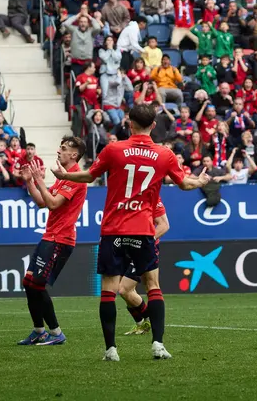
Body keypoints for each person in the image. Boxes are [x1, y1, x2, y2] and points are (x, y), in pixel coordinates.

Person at [52, 104, 209, 361]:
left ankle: (111, 350)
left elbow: (89, 176)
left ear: (128, 122)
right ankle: (158, 344)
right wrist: (201, 182)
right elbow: (184, 184)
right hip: (144, 230)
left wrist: (63, 175)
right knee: (153, 287)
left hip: (114, 230)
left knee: (108, 291)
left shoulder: (114, 149)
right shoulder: (164, 154)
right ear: (154, 125)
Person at [15, 136, 88, 346]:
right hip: (50, 236)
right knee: (28, 283)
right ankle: (39, 331)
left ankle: (56, 333)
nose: (58, 151)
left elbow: (54, 204)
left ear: (74, 155)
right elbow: (42, 202)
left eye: (63, 148)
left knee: (37, 285)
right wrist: (30, 181)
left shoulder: (76, 177)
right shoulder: (63, 177)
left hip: (61, 239)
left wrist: (39, 179)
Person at [119, 198, 168, 336]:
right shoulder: (122, 196)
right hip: (126, 248)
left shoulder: (152, 196)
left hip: (144, 250)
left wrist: (145, 243)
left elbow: (164, 225)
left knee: (124, 289)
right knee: (126, 292)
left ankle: (149, 320)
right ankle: (142, 324)